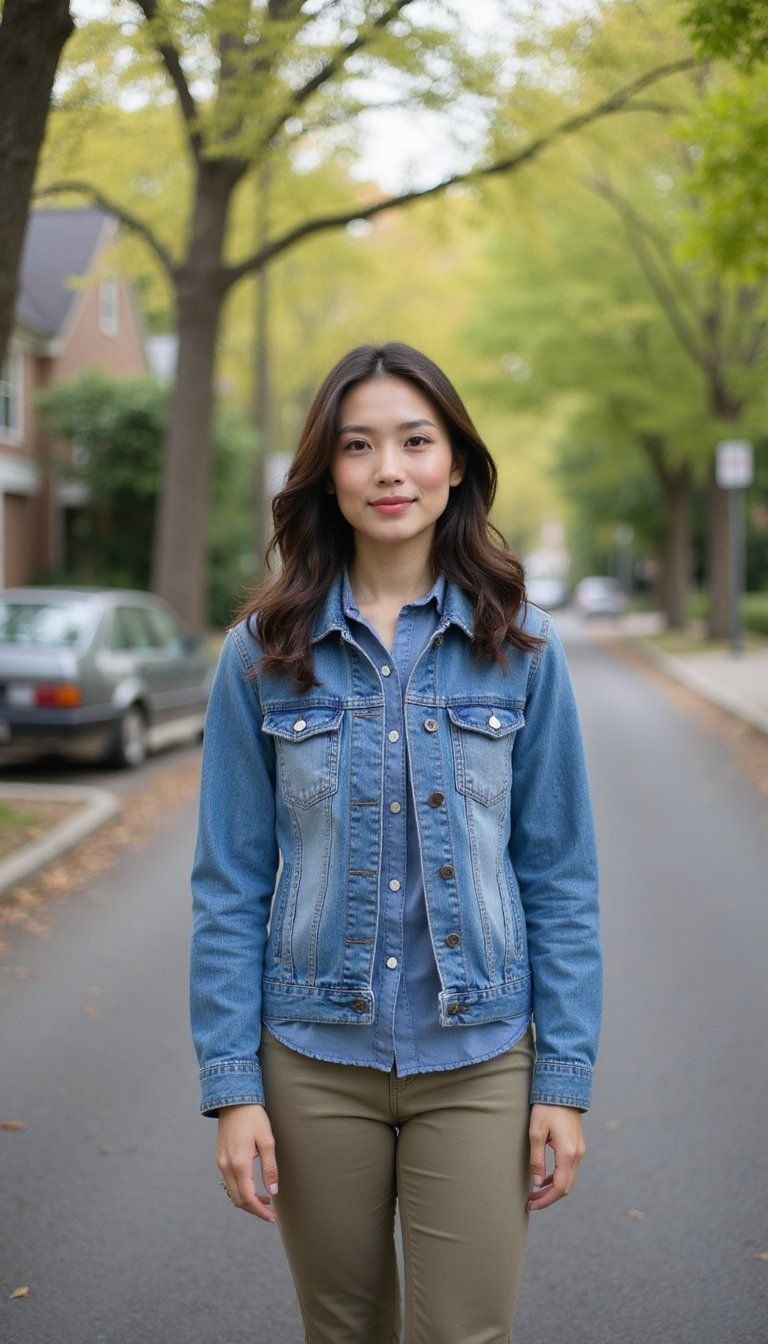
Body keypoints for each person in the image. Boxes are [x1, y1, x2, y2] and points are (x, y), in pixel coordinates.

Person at [189, 341, 603, 1344]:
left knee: (464, 1334)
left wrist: (565, 1081)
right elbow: (230, 882)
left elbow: (560, 876)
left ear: (454, 461)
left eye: (415, 442)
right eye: (357, 445)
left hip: (478, 1056)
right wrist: (232, 1088)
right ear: (325, 473)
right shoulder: (261, 656)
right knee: (344, 1334)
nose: (388, 470)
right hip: (312, 1055)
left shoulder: (522, 648)